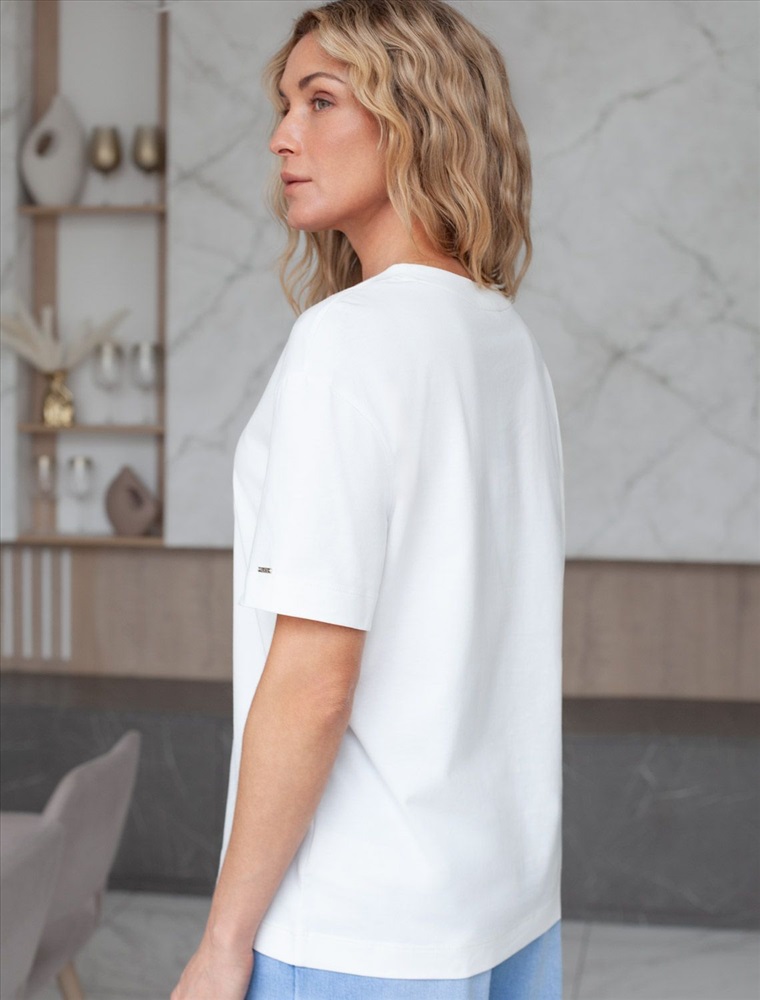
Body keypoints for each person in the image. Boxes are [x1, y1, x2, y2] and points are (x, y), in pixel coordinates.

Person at [172, 0, 565, 997]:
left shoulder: (347, 343)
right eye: (284, 103)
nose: (281, 136)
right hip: (499, 906)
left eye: (320, 100)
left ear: (414, 121)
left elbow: (314, 680)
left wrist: (224, 942)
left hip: (357, 927)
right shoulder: (503, 340)